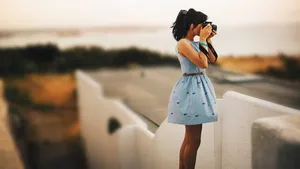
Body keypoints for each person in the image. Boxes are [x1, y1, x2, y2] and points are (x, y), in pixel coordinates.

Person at [168, 8, 218, 169]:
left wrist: (208, 40)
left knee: (190, 139)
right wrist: (203, 38)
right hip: (191, 90)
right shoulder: (183, 43)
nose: (203, 28)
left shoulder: (196, 43)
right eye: (201, 25)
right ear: (192, 25)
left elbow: (213, 59)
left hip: (197, 87)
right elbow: (202, 63)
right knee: (194, 140)